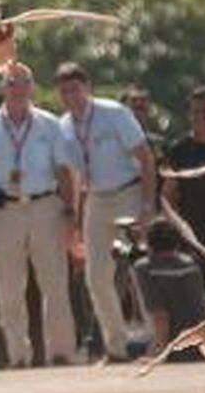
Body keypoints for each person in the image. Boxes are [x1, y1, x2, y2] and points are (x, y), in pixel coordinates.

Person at [0, 63, 77, 367]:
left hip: (45, 205)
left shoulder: (49, 124)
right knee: (8, 287)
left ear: (32, 87)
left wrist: (70, 211)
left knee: (55, 282)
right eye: (11, 83)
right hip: (4, 209)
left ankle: (61, 351)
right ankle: (18, 355)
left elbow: (63, 170)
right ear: (3, 88)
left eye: (23, 83)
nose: (17, 89)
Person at [55, 62, 157, 362]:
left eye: (74, 89)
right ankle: (117, 346)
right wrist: (73, 222)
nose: (70, 96)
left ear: (87, 87)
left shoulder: (114, 113)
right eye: (64, 92)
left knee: (140, 271)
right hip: (97, 200)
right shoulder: (64, 126)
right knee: (96, 277)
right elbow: (74, 178)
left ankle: (156, 341)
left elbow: (146, 157)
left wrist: (148, 205)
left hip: (129, 192)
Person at [163, 87, 205, 265]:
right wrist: (177, 227)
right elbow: (168, 194)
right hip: (192, 233)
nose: (201, 116)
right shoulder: (178, 150)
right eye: (195, 112)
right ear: (189, 115)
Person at [134, 218, 205, 361]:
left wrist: (159, 354)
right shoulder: (191, 264)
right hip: (202, 345)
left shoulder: (145, 268)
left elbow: (160, 315)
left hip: (176, 347)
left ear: (149, 244)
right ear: (177, 243)